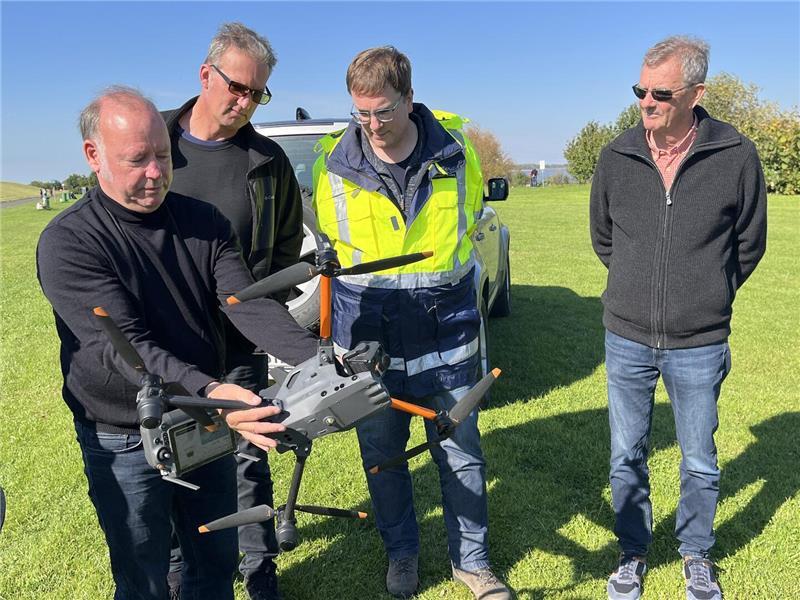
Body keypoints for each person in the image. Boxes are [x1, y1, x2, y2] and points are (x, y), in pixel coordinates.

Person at [36, 87, 318, 600]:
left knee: (215, 560)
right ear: (94, 155)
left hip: (202, 422)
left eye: (163, 157)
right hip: (125, 431)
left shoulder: (202, 222)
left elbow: (244, 303)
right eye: (137, 159)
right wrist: (212, 392)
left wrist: (319, 358)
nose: (155, 173)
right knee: (143, 576)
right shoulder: (69, 242)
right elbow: (128, 348)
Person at [312, 46, 510, 600]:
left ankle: (472, 564)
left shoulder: (457, 152)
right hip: (369, 341)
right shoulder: (331, 164)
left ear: (409, 98)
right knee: (382, 458)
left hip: (448, 334)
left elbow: (469, 227)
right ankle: (402, 554)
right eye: (361, 113)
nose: (373, 125)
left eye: (384, 111)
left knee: (461, 453)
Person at [589, 36, 767, 600]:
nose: (647, 102)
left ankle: (696, 555)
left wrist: (707, 292)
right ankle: (632, 552)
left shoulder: (736, 155)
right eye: (640, 90)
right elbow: (604, 238)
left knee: (700, 459)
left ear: (696, 93)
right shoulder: (616, 156)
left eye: (660, 93)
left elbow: (749, 243)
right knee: (626, 455)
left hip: (700, 341)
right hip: (626, 336)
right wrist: (637, 289)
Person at [161, 22, 304, 600]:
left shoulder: (267, 161)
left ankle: (259, 568)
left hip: (240, 341)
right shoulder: (156, 145)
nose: (244, 102)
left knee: (248, 458)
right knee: (174, 459)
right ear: (206, 74)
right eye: (237, 87)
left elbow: (286, 247)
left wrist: (259, 310)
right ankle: (178, 570)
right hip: (168, 344)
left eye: (256, 94)